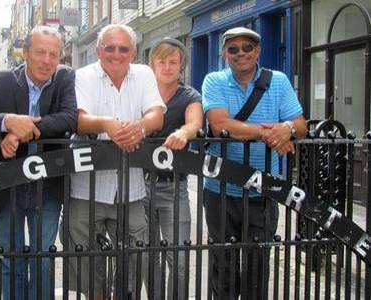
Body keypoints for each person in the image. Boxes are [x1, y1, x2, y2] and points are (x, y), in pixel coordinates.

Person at [0, 26, 78, 300]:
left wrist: (24, 130)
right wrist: (7, 122)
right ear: (25, 53)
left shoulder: (64, 78)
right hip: (7, 184)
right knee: (10, 259)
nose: (47, 60)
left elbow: (69, 118)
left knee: (42, 259)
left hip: (47, 185)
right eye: (40, 52)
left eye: (53, 54)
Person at [59, 24, 165, 299]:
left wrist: (139, 128)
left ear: (133, 52)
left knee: (135, 255)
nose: (116, 54)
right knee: (85, 258)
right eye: (109, 47)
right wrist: (109, 125)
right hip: (86, 188)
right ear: (97, 50)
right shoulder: (82, 76)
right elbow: (79, 119)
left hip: (130, 189)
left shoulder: (143, 74)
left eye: (123, 48)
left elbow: (156, 114)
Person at [202, 27, 307, 299]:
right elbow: (220, 125)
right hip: (220, 189)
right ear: (225, 54)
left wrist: (287, 129)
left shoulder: (279, 81)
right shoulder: (214, 81)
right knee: (222, 262)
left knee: (257, 263)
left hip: (264, 189)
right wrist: (270, 133)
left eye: (247, 48)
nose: (240, 54)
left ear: (257, 51)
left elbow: (300, 125)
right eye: (233, 49)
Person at [143, 37, 203, 299]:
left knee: (177, 257)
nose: (167, 67)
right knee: (146, 256)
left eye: (173, 62)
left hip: (173, 186)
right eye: (162, 61)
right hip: (139, 185)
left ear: (181, 66)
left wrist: (184, 133)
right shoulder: (143, 92)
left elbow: (195, 123)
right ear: (152, 64)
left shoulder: (189, 95)